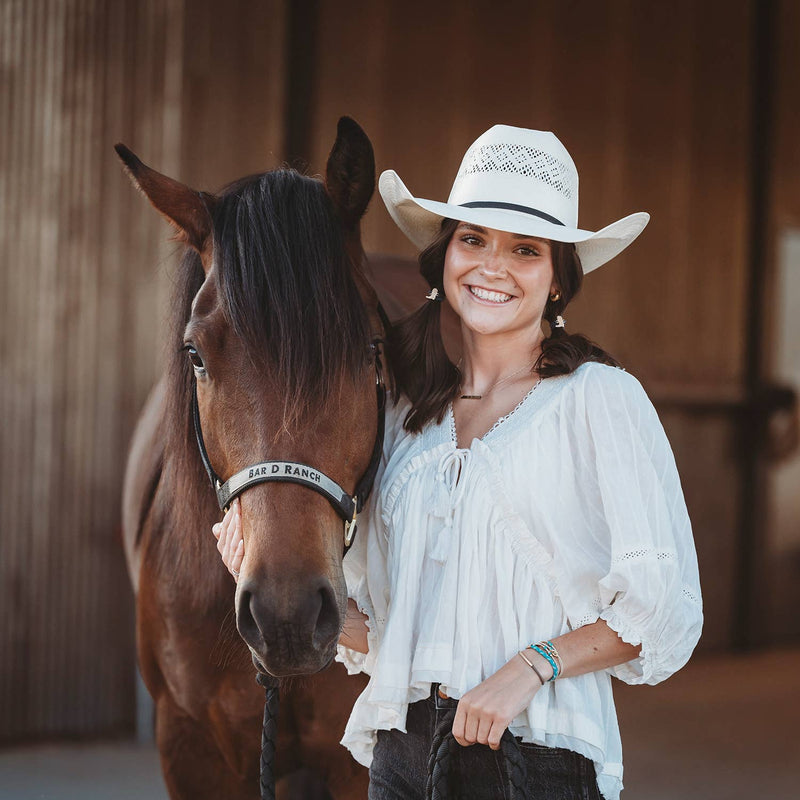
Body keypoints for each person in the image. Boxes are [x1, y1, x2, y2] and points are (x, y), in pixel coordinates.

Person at [213, 125, 703, 800]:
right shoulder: (407, 420)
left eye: (525, 250)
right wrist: (255, 570)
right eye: (473, 239)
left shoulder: (599, 401)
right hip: (402, 760)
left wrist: (533, 667)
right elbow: (385, 632)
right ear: (445, 258)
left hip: (537, 763)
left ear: (558, 280)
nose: (492, 266)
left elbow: (661, 607)